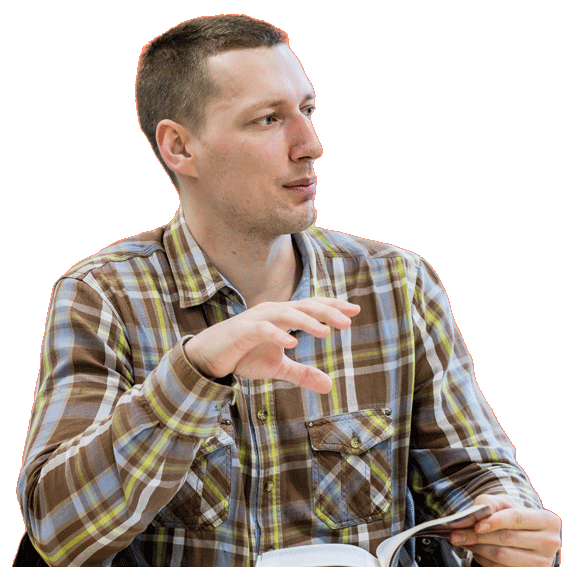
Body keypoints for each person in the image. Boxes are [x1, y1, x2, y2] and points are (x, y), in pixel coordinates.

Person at [17, 15, 560, 567]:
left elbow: (472, 470)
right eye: (268, 119)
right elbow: (59, 535)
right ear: (180, 147)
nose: (311, 145)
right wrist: (196, 371)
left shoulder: (397, 283)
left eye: (307, 109)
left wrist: (507, 521)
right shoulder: (102, 295)